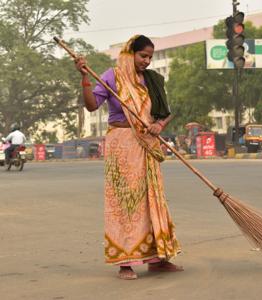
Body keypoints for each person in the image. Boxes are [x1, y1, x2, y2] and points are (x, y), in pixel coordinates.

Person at [75, 35, 183, 280]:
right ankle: (125, 262)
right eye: (143, 56)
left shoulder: (152, 80)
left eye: (150, 57)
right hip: (122, 145)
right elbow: (92, 106)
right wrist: (84, 78)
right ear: (130, 52)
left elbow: (165, 113)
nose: (146, 61)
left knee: (152, 201)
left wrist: (159, 125)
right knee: (125, 203)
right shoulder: (112, 76)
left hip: (147, 144)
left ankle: (157, 259)